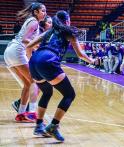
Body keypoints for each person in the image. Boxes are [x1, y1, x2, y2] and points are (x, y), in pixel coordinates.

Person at [26, 10, 95, 142]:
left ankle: (39, 125)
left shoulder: (48, 32)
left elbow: (28, 46)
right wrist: (92, 61)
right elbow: (80, 55)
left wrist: (32, 62)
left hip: (34, 61)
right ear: (67, 21)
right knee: (69, 95)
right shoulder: (69, 33)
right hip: (48, 60)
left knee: (47, 92)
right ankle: (53, 126)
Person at [4, 2, 46, 122]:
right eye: (42, 10)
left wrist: (35, 47)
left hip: (10, 52)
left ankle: (21, 114)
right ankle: (32, 112)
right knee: (35, 82)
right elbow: (25, 40)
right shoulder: (34, 22)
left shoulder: (32, 21)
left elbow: (27, 42)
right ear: (35, 12)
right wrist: (37, 45)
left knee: (28, 84)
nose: (45, 13)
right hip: (17, 51)